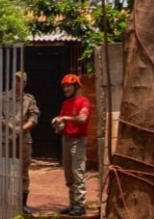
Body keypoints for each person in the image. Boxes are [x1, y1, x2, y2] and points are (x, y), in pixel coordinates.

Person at [0, 71, 40, 215]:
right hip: (6, 139)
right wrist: (12, 128)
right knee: (4, 171)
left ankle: (23, 204)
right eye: (14, 80)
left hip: (23, 140)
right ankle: (3, 202)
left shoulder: (29, 100)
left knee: (23, 172)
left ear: (25, 83)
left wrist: (21, 130)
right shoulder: (2, 98)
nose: (16, 83)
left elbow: (34, 118)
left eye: (20, 81)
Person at [51, 73, 90, 216]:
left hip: (78, 140)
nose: (66, 89)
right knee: (69, 175)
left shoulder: (83, 102)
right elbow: (62, 120)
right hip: (66, 139)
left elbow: (83, 118)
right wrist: (57, 123)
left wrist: (65, 118)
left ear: (76, 87)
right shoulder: (66, 103)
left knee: (77, 172)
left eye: (69, 86)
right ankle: (73, 204)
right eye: (64, 87)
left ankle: (81, 205)